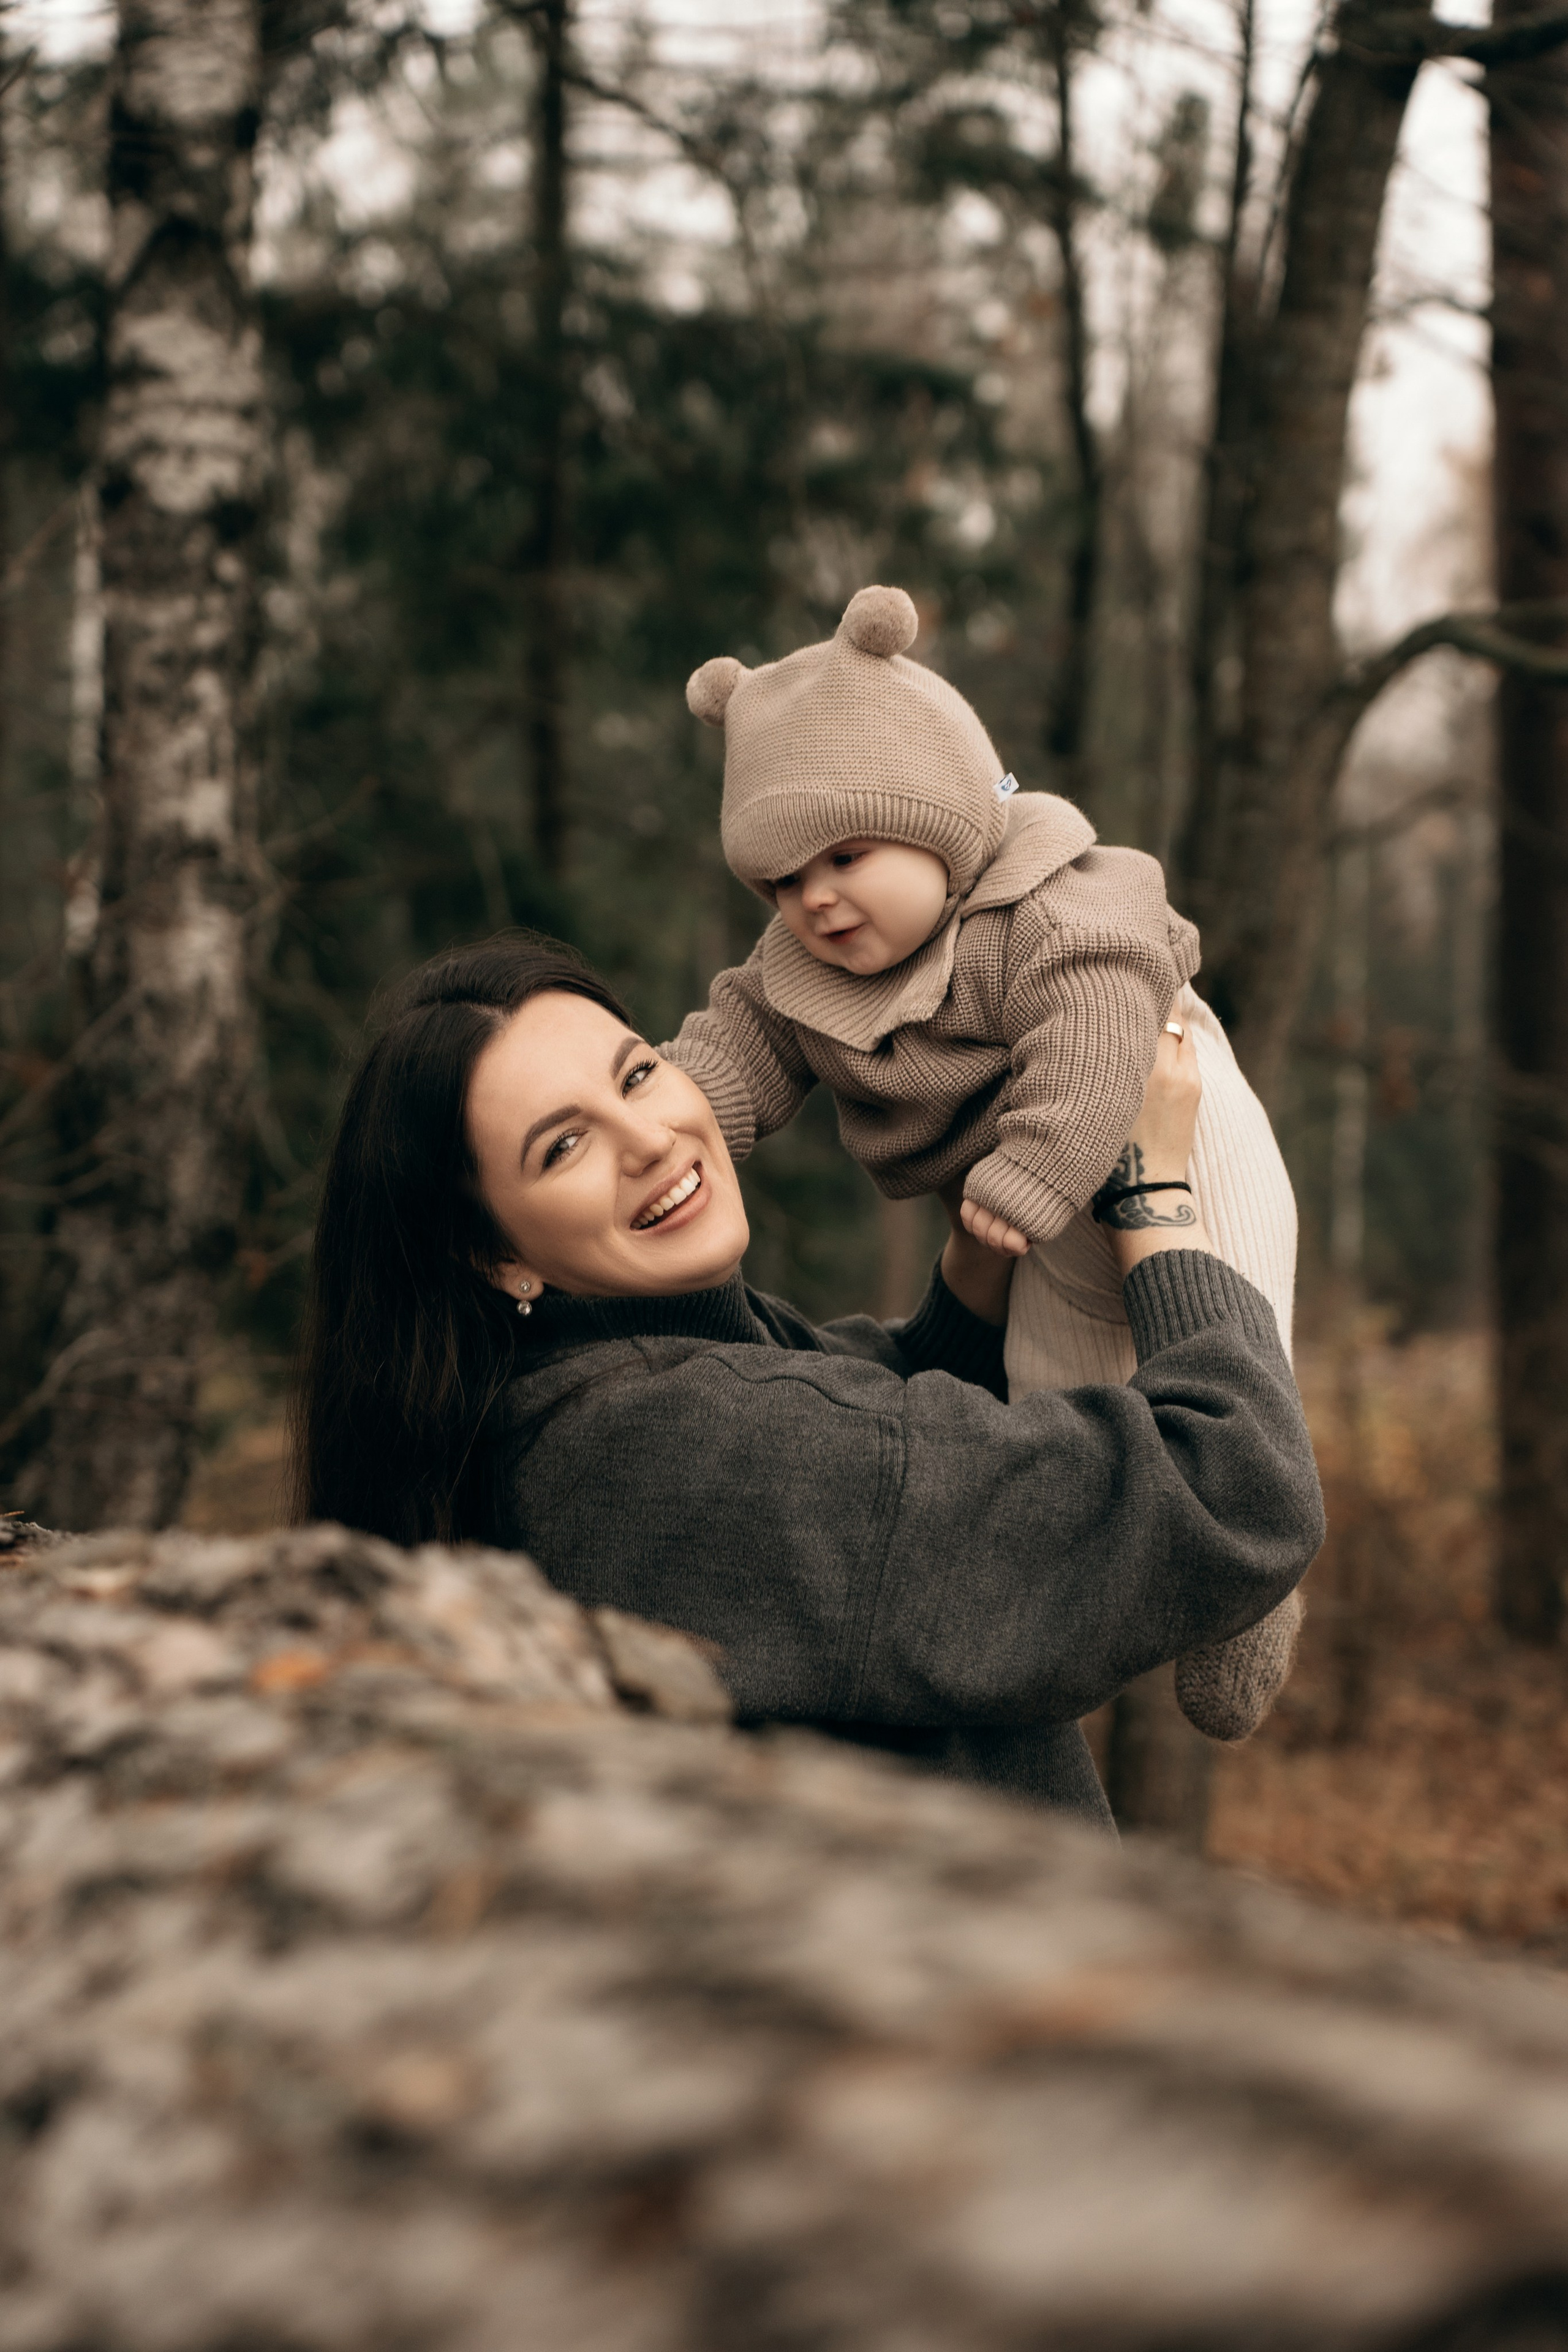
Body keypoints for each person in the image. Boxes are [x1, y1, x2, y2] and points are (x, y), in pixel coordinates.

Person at [293, 935, 1324, 1832]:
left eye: (638, 1074)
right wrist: (1155, 1191)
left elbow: (864, 1432)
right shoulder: (670, 1449)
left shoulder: (575, 1401)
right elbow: (1231, 1492)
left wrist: (986, 1251)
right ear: (491, 1256)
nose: (650, 1140)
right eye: (565, 1146)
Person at [664, 584, 1300, 1743]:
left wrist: (1043, 1164)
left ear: (940, 816)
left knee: (1236, 1318)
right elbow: (733, 1052)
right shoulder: (799, 975)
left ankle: (1256, 1582)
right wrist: (661, 1118)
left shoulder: (1045, 909)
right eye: (779, 882)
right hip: (1029, 1220)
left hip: (1170, 1129)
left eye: (845, 854)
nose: (816, 899)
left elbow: (1100, 1026)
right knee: (1063, 1421)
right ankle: (1109, 1607)